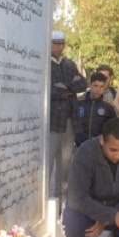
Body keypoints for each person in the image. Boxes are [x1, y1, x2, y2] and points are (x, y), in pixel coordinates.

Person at [49, 30, 87, 201]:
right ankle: (45, 198)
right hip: (52, 121)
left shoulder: (69, 64)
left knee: (65, 162)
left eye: (62, 43)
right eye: (56, 43)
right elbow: (49, 91)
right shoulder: (43, 64)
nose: (60, 46)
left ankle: (59, 200)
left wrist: (65, 87)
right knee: (49, 161)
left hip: (69, 120)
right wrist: (69, 88)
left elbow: (82, 85)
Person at [73, 72, 116, 146]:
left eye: (101, 86)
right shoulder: (79, 103)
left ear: (104, 87)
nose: (98, 89)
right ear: (90, 85)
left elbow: (113, 127)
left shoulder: (108, 106)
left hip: (99, 147)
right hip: (80, 146)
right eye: (95, 86)